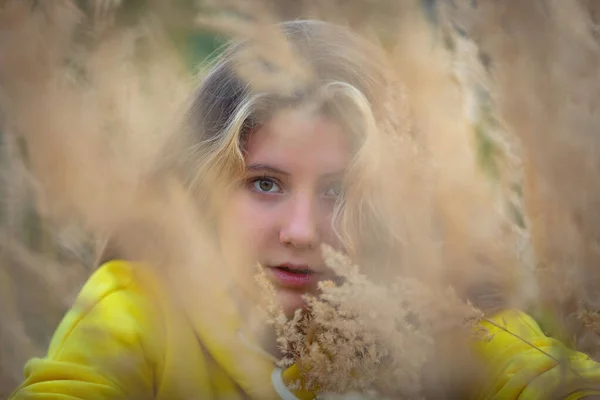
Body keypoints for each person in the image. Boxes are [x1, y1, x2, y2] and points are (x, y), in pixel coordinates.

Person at [9, 19, 600, 400]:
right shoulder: (141, 305)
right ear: (204, 189)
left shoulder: (440, 313)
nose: (301, 231)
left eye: (339, 191)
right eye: (265, 184)